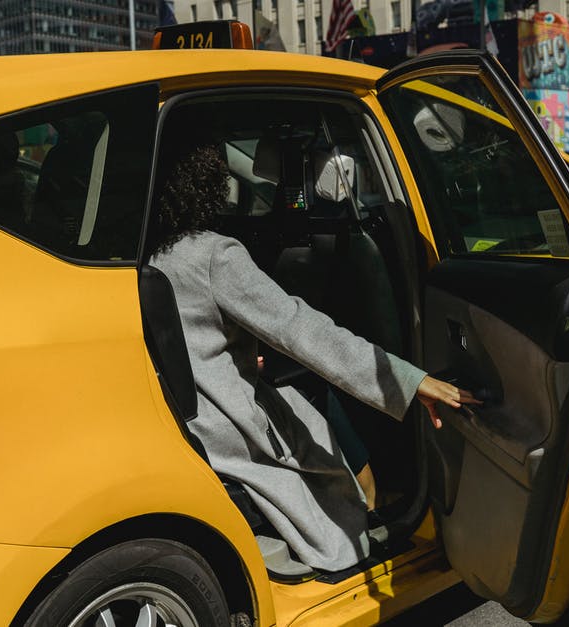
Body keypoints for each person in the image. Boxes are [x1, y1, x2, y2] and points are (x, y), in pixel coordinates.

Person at [147, 141, 476, 572]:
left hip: (178, 414)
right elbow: (301, 331)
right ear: (205, 183)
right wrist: (409, 380)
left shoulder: (138, 253)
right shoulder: (212, 255)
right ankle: (362, 534)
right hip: (226, 422)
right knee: (315, 420)